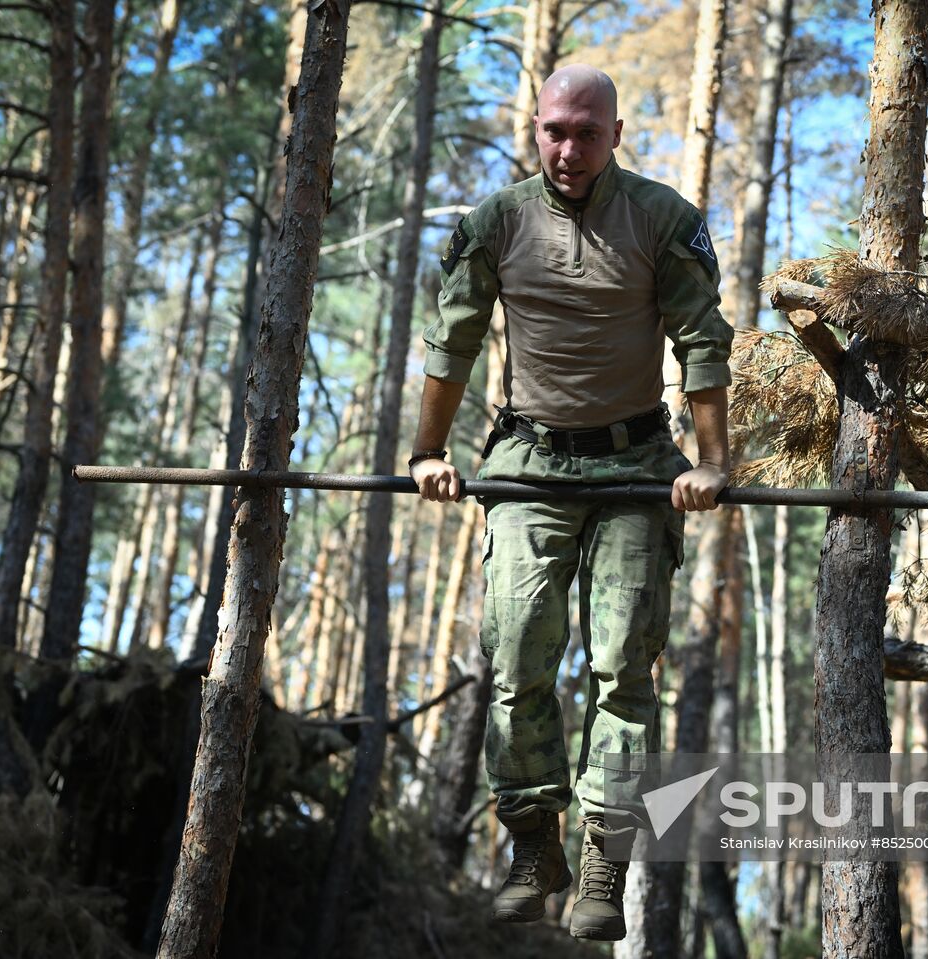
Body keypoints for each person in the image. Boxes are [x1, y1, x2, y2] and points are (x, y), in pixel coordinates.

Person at [408, 63, 733, 941]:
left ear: (616, 136)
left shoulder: (662, 218)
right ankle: (532, 843)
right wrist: (428, 452)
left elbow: (702, 338)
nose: (569, 146)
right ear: (537, 130)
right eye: (556, 129)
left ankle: (602, 859)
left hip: (634, 467)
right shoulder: (496, 223)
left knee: (623, 660)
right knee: (516, 652)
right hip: (529, 462)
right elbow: (453, 340)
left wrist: (711, 462)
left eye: (588, 131)